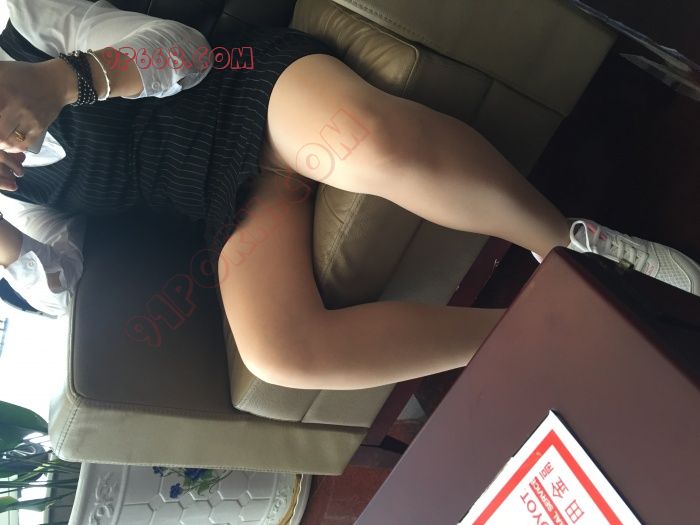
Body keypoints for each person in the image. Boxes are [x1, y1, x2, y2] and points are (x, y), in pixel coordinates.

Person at [0, 0, 698, 390]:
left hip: (244, 90)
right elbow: (65, 284)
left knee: (369, 143)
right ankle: (552, 333)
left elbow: (186, 51)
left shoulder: (22, 25)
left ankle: (576, 249)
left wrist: (60, 81)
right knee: (280, 352)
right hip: (223, 198)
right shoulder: (12, 199)